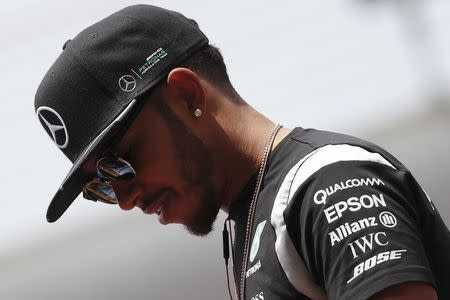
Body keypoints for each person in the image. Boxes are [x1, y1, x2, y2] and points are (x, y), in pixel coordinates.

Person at [34, 4, 450, 300]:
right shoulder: (247, 224)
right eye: (100, 185)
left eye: (120, 161)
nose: (124, 199)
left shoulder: (329, 187)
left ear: (186, 94)